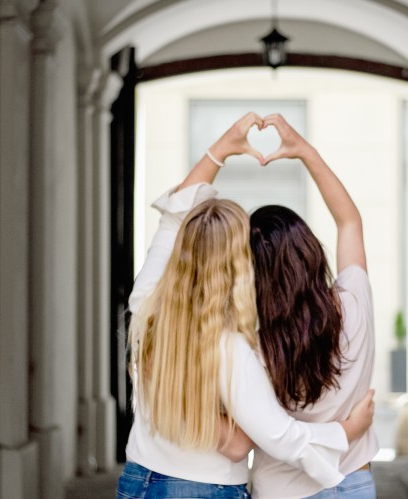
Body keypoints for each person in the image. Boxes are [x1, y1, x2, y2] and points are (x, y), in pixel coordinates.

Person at [117, 113, 375, 499]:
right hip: (213, 487)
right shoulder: (235, 348)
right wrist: (348, 431)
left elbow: (173, 219)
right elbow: (257, 441)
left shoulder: (147, 302)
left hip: (140, 478)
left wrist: (219, 150)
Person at [249, 114, 378, 498]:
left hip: (281, 489)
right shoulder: (353, 301)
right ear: (310, 252)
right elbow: (349, 221)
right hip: (352, 481)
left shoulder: (256, 345)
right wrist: (306, 152)